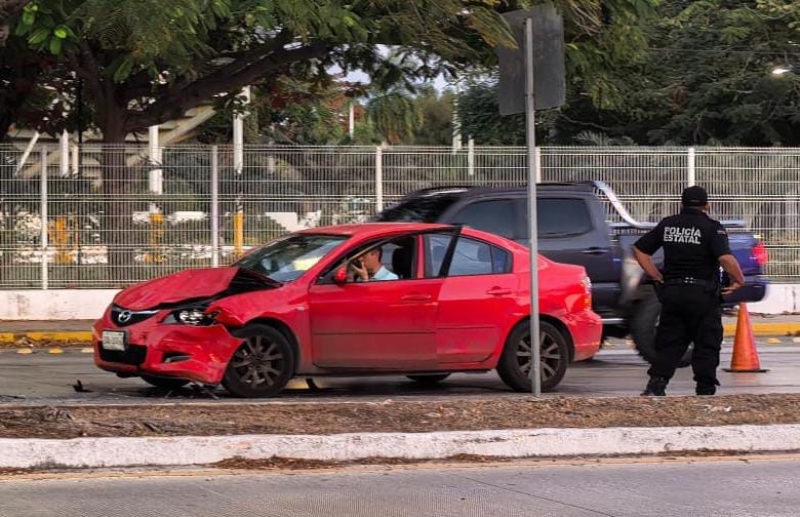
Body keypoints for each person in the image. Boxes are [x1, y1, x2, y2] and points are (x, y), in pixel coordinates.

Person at [633, 185, 746, 397]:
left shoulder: (668, 224)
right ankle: (705, 389)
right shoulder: (712, 228)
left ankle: (656, 385)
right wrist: (739, 279)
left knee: (670, 341)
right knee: (707, 341)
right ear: (707, 205)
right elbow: (725, 258)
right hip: (702, 295)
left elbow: (639, 249)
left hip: (673, 292)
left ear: (681, 203)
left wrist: (656, 275)